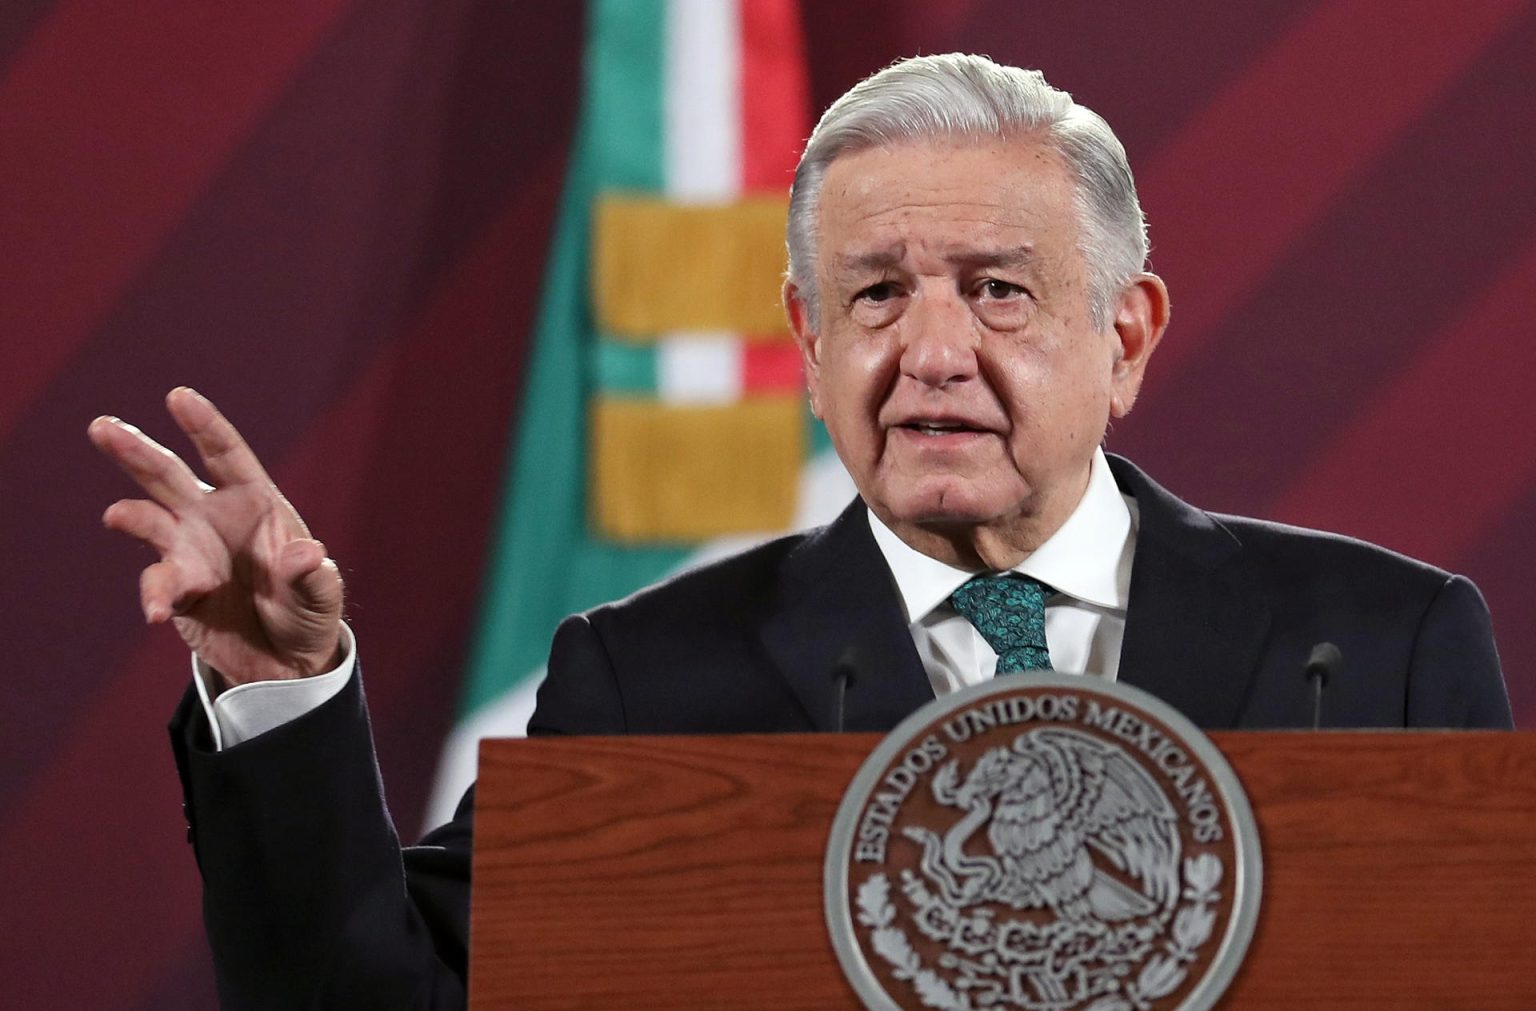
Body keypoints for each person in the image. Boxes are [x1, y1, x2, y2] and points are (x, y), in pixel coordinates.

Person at [90, 54, 1512, 1009]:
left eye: (999, 290)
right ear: (809, 338)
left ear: (1124, 335)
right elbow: (384, 997)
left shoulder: (1379, 648)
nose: (934, 351)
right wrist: (283, 695)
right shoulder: (653, 678)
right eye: (878, 295)